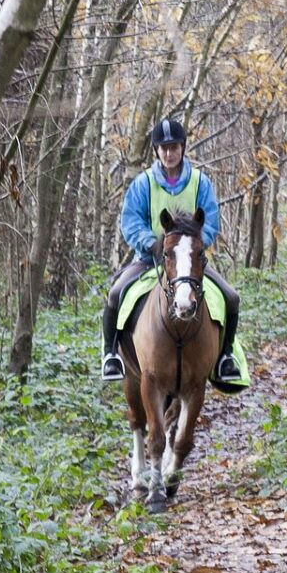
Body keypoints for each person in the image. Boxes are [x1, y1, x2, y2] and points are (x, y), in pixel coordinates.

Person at [100, 118, 242, 382]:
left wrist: (195, 245)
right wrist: (151, 243)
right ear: (156, 150)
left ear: (182, 147)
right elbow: (130, 220)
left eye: (174, 147)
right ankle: (111, 355)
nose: (169, 153)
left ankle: (225, 357)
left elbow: (210, 220)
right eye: (164, 148)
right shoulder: (143, 184)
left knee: (231, 298)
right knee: (116, 294)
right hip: (150, 258)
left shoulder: (200, 182)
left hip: (191, 261)